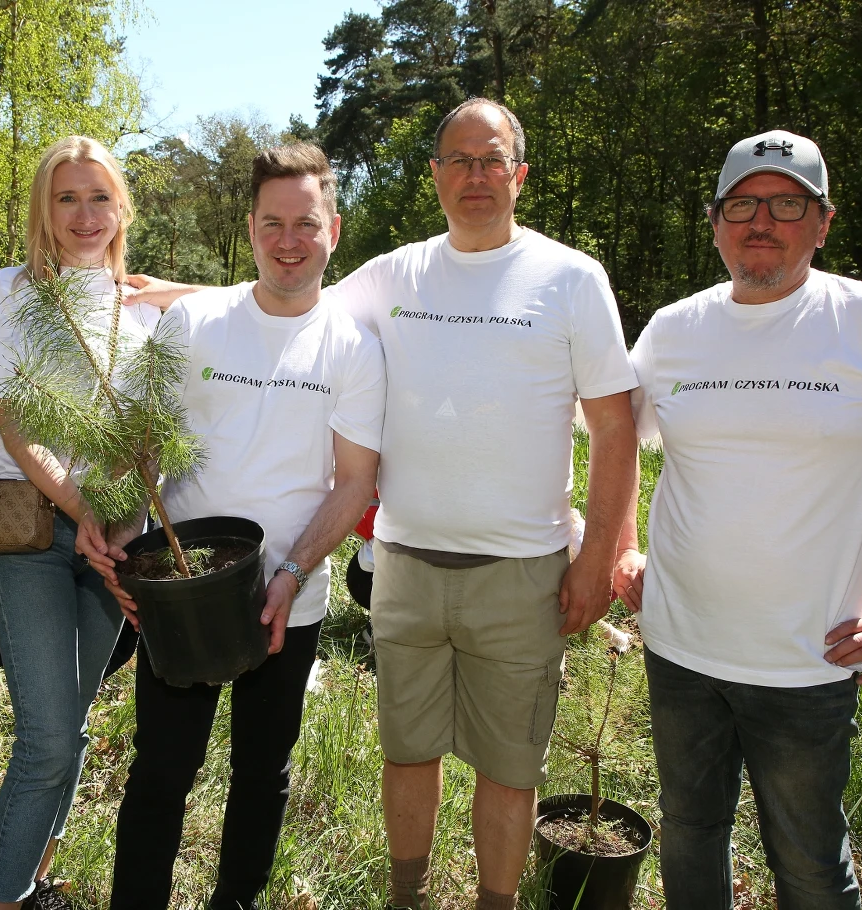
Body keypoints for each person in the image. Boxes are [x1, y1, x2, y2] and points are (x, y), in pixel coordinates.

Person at [122, 98, 639, 910]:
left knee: (508, 766)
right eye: (459, 159)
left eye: (492, 159)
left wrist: (602, 554)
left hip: (523, 568)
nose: (475, 175)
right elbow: (283, 290)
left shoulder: (571, 278)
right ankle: (408, 897)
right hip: (402, 564)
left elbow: (615, 426)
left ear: (520, 174)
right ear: (435, 175)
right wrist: (173, 296)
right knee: (405, 751)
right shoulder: (397, 274)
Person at [615, 129, 862, 909]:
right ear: (715, 222)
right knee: (689, 830)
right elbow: (618, 439)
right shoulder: (674, 328)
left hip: (807, 664)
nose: (762, 221)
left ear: (823, 222)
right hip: (678, 647)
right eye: (742, 204)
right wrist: (622, 550)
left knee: (810, 866)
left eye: (787, 204)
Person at [88, 142, 385, 910]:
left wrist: (291, 573)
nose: (289, 241)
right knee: (161, 770)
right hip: (181, 590)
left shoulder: (354, 346)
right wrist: (120, 533)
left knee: (262, 773)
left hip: (289, 597)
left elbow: (355, 482)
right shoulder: (195, 320)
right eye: (272, 223)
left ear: (333, 230)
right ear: (250, 228)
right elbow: (144, 445)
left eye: (306, 224)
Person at [0, 135, 161, 910]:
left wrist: (123, 521)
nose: (84, 215)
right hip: (36, 532)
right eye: (66, 197)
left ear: (122, 207)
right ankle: (1, 898)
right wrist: (82, 510)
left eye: (99, 197)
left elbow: (149, 433)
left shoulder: (138, 307)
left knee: (72, 725)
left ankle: (37, 878)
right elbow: (13, 427)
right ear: (43, 208)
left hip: (114, 537)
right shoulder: (14, 289)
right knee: (44, 736)